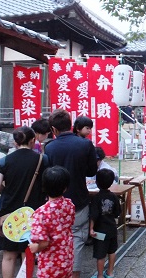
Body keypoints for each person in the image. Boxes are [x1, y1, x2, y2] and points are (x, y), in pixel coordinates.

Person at [45, 109, 97, 278]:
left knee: (54, 239)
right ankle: (74, 275)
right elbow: (91, 171)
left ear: (53, 129)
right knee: (77, 240)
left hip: (55, 202)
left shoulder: (49, 147)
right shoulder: (85, 145)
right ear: (71, 125)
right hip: (79, 199)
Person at [0, 126, 49, 278]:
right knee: (28, 252)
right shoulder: (42, 159)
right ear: (33, 141)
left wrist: (8, 188)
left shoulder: (4, 161)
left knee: (9, 255)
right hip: (32, 212)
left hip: (9, 212)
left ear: (15, 143)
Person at [29, 166, 75, 278]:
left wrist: (35, 247)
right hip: (66, 257)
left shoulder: (42, 212)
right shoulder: (69, 204)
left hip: (50, 263)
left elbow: (44, 243)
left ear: (44, 186)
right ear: (65, 188)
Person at [89, 169, 121, 278]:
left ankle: (99, 275)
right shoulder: (114, 197)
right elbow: (117, 213)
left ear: (97, 182)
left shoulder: (96, 198)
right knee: (112, 251)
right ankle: (110, 272)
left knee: (100, 254)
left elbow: (93, 215)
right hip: (112, 228)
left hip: (100, 231)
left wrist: (91, 228)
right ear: (111, 182)